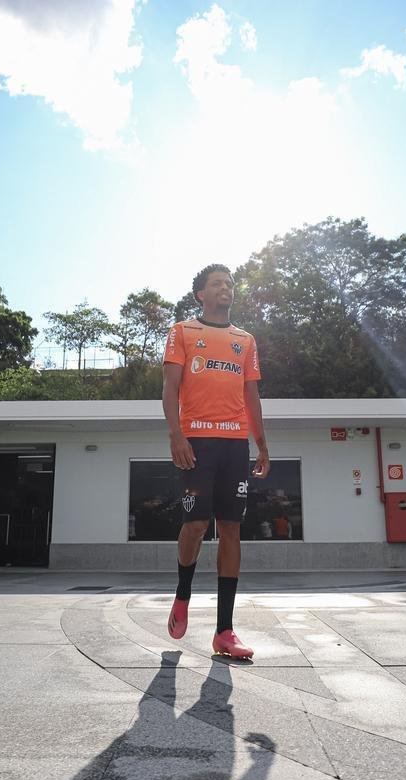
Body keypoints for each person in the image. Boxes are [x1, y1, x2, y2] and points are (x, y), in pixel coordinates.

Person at [163, 264, 269, 659]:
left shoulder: (246, 340)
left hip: (234, 444)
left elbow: (252, 396)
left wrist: (261, 444)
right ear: (200, 295)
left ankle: (224, 630)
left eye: (229, 283)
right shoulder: (183, 332)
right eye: (216, 284)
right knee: (194, 525)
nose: (225, 288)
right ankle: (182, 594)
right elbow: (170, 388)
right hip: (197, 442)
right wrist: (177, 435)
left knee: (231, 528)